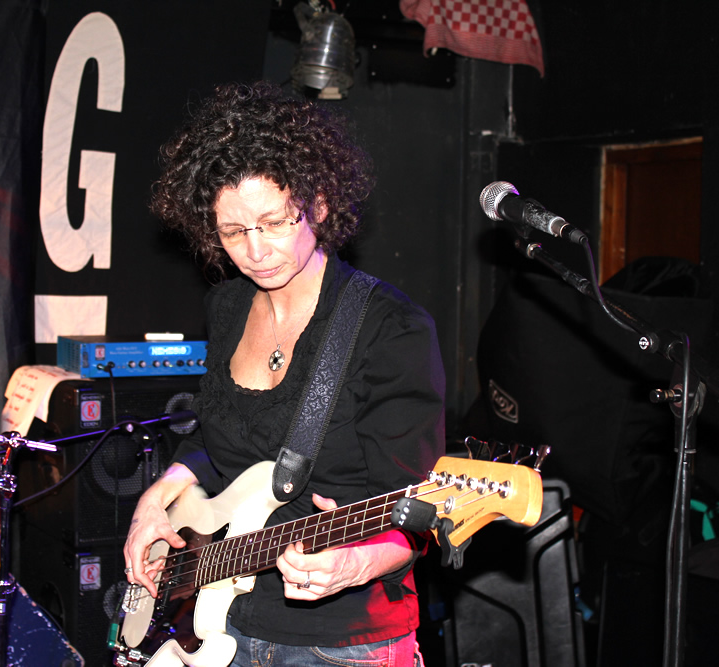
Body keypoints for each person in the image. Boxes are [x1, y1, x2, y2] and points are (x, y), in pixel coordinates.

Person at [123, 81, 445, 666]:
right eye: (231, 232)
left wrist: (357, 563)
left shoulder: (389, 329)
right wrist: (156, 497)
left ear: (317, 205)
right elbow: (212, 433)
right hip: (212, 625)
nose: (255, 250)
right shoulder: (227, 306)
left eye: (273, 222)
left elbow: (417, 511)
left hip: (341, 640)